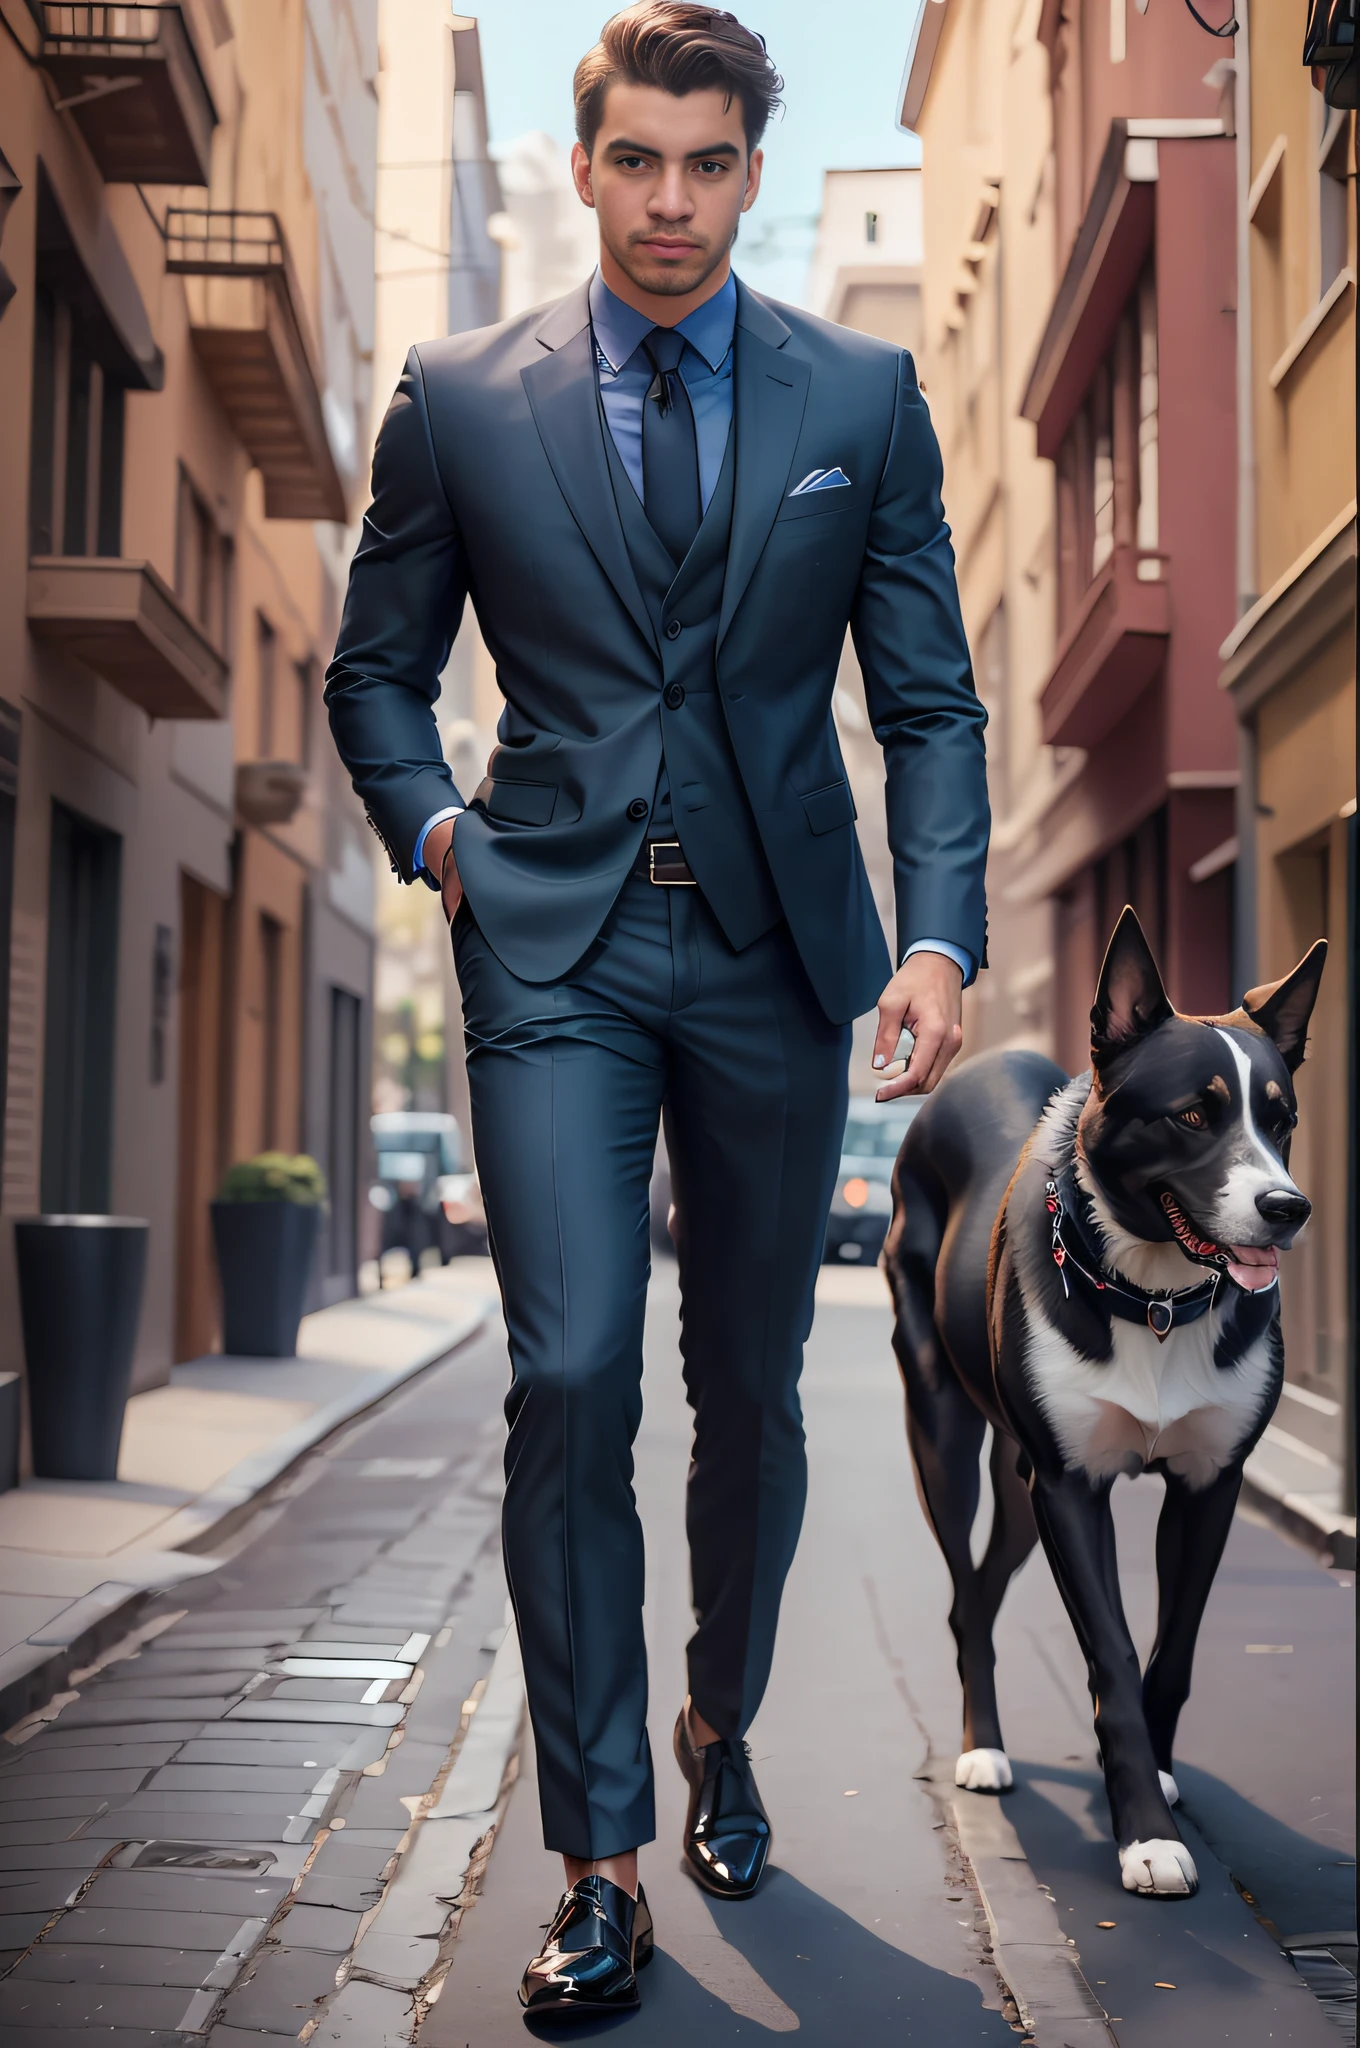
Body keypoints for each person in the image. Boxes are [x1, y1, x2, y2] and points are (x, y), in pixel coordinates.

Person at [325, 2, 988, 2019]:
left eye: (709, 165)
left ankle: (718, 1718)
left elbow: (929, 700)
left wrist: (935, 941)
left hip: (782, 959)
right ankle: (597, 1856)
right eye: (637, 160)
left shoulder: (858, 397)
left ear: (750, 174)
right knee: (571, 1375)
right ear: (589, 157)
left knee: (753, 1398)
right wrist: (441, 839)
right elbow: (375, 668)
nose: (672, 201)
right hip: (552, 954)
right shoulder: (456, 395)